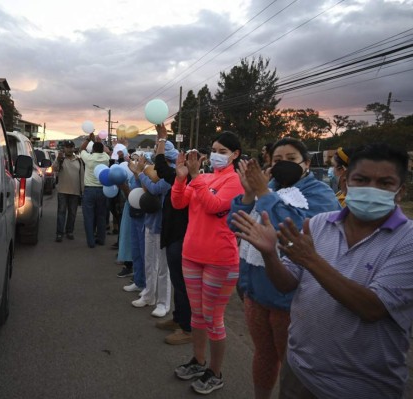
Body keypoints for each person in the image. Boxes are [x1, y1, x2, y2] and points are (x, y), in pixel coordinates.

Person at [231, 143, 413, 399]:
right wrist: (270, 253)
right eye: (361, 179)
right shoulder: (319, 225)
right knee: (266, 354)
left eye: (384, 183)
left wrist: (310, 259)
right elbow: (288, 281)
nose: (370, 189)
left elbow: (372, 308)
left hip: (362, 386)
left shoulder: (407, 241)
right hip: (300, 373)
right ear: (345, 181)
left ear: (400, 191)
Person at [229, 137, 341, 399]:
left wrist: (264, 195)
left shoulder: (320, 194)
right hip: (256, 291)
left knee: (293, 365)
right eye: (278, 160)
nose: (283, 165)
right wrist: (248, 194)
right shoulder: (267, 187)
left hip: (292, 298)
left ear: (306, 164)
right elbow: (235, 227)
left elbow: (296, 233)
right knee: (264, 355)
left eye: (291, 159)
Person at [171, 131, 245, 394]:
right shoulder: (204, 178)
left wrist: (194, 178)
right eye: (214, 149)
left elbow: (214, 206)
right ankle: (198, 360)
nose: (216, 154)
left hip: (220, 260)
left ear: (235, 155)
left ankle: (215, 371)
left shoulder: (236, 181)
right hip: (192, 255)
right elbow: (179, 202)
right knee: (198, 315)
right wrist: (181, 180)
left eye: (223, 151)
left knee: (214, 318)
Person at [153, 125, 192, 345]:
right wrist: (161, 139)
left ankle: (188, 328)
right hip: (172, 236)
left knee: (184, 283)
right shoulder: (178, 179)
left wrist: (162, 140)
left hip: (184, 238)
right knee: (178, 282)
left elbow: (161, 167)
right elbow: (160, 167)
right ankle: (178, 319)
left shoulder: (196, 182)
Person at [130, 153, 172, 318]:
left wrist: (140, 173)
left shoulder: (171, 175)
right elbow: (146, 189)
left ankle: (163, 303)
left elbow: (155, 188)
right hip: (150, 223)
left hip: (163, 226)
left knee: (163, 268)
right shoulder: (153, 173)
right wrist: (137, 172)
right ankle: (149, 295)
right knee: (149, 262)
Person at [80, 133, 110, 248]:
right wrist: (100, 141)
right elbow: (107, 151)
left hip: (89, 190)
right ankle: (101, 239)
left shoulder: (89, 158)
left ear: (92, 149)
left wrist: (89, 139)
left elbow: (81, 149)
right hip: (103, 190)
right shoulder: (106, 158)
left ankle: (91, 242)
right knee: (101, 216)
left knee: (89, 217)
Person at [53, 140, 84, 242]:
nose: (69, 149)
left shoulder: (78, 160)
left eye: (71, 147)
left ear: (74, 148)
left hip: (75, 192)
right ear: (64, 148)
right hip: (62, 190)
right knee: (61, 212)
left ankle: (69, 231)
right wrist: (58, 159)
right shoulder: (61, 159)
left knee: (72, 213)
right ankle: (59, 233)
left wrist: (82, 190)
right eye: (67, 147)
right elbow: (54, 169)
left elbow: (82, 176)